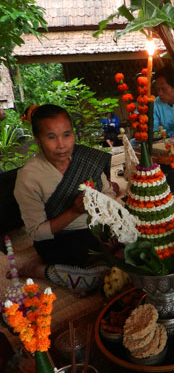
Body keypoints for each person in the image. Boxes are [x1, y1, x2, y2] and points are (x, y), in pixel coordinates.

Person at [12, 104, 115, 293]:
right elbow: (37, 233)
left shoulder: (86, 160)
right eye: (51, 137)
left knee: (141, 245)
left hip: (97, 229)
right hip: (62, 240)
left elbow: (109, 195)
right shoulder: (29, 177)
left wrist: (105, 221)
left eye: (67, 135)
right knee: (104, 275)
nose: (61, 145)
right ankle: (42, 270)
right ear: (38, 140)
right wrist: (74, 212)